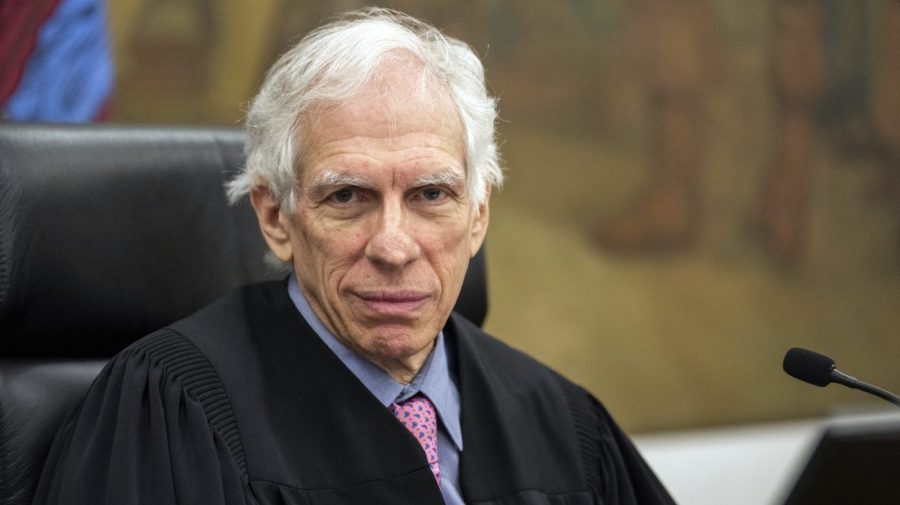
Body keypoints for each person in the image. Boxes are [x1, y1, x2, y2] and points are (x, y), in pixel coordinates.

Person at [33, 8, 674, 505]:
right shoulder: (171, 413)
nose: (393, 246)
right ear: (275, 217)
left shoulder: (563, 423)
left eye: (431, 194)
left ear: (478, 215)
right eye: (347, 196)